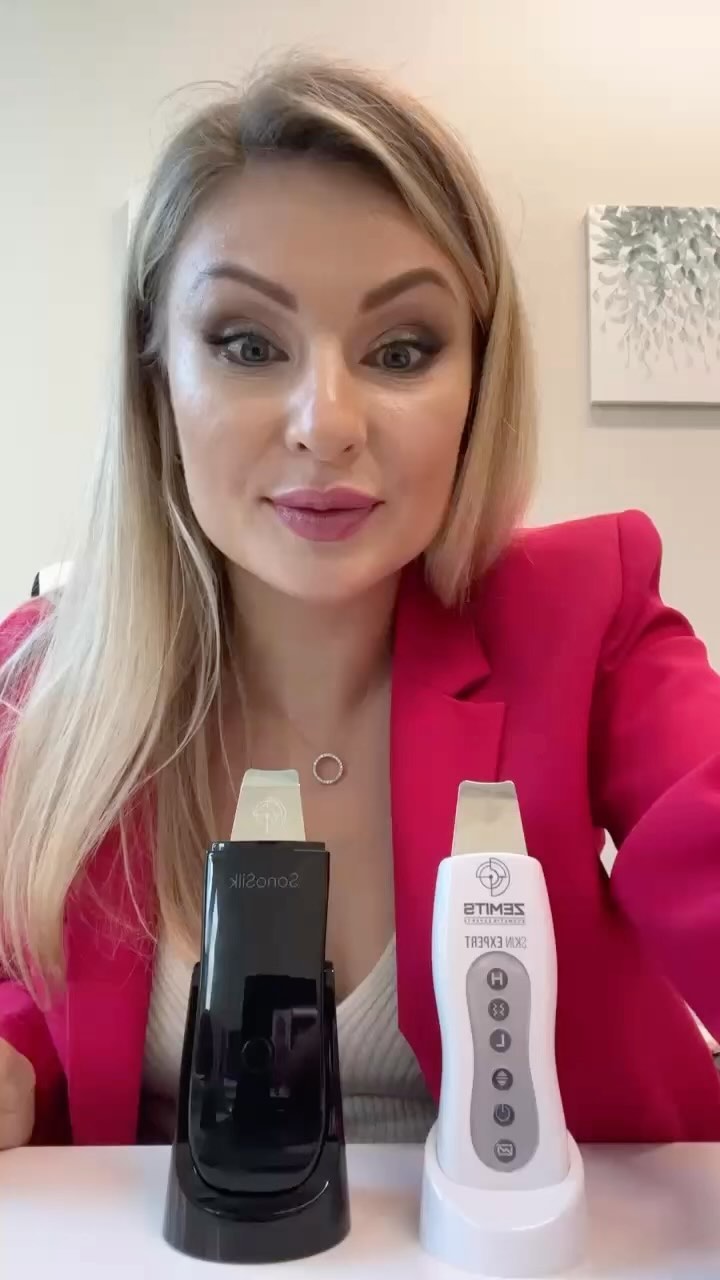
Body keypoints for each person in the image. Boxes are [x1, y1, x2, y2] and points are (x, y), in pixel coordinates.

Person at [1, 56, 719, 1155]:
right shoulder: (39, 686)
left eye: (401, 349)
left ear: (478, 382)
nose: (326, 424)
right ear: (157, 381)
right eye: (247, 345)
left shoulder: (589, 615)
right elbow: (23, 990)